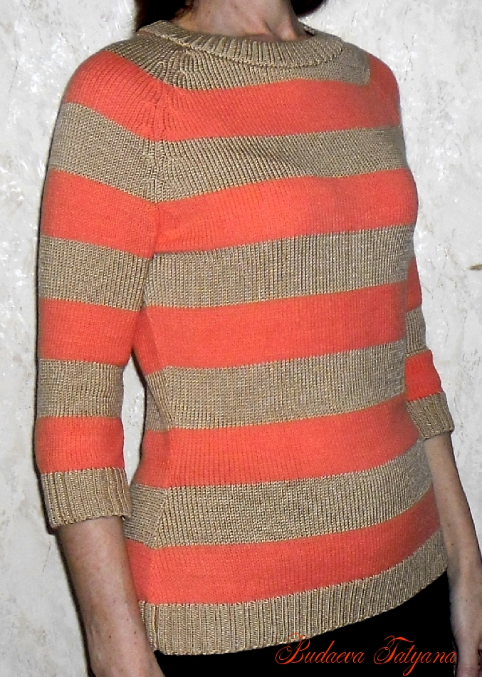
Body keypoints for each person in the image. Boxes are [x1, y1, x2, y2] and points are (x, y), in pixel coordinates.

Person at [34, 0, 482, 675]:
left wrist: (466, 566)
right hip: (223, 623)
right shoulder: (127, 93)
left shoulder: (368, 82)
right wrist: (114, 645)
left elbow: (406, 353)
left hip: (412, 580)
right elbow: (75, 408)